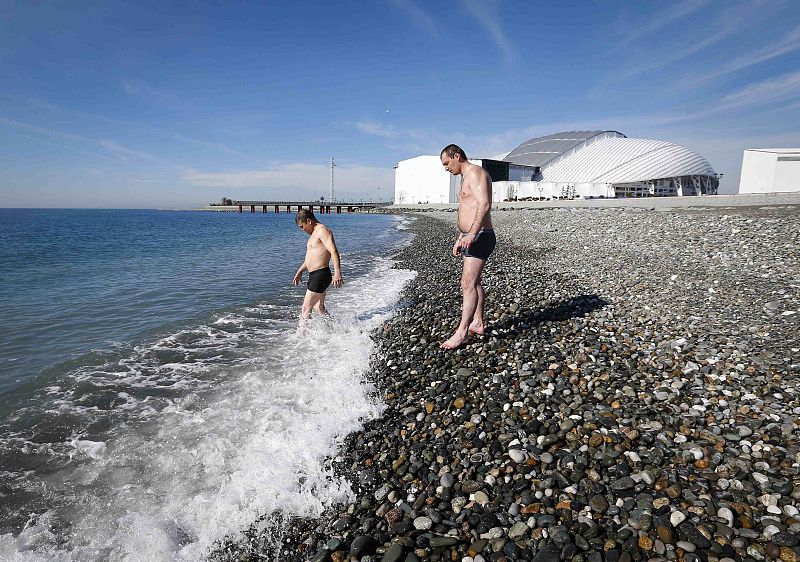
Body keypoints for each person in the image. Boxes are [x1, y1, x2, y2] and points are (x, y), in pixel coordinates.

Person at [439, 144, 496, 349]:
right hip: (471, 236)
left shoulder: (476, 173)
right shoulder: (465, 177)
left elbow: (484, 205)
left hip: (480, 236)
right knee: (475, 282)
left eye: (447, 163)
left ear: (457, 155)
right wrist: (461, 236)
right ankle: (478, 323)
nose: (446, 168)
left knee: (467, 284)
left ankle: (462, 333)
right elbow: (467, 209)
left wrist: (471, 234)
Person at [292, 209, 343, 324]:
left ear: (309, 221)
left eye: (302, 226)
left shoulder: (322, 231)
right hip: (317, 274)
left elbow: (334, 251)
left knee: (305, 309)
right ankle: (334, 330)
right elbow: (311, 258)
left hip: (320, 275)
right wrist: (300, 271)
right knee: (318, 307)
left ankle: (303, 339)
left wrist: (337, 272)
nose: (302, 230)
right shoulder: (314, 233)